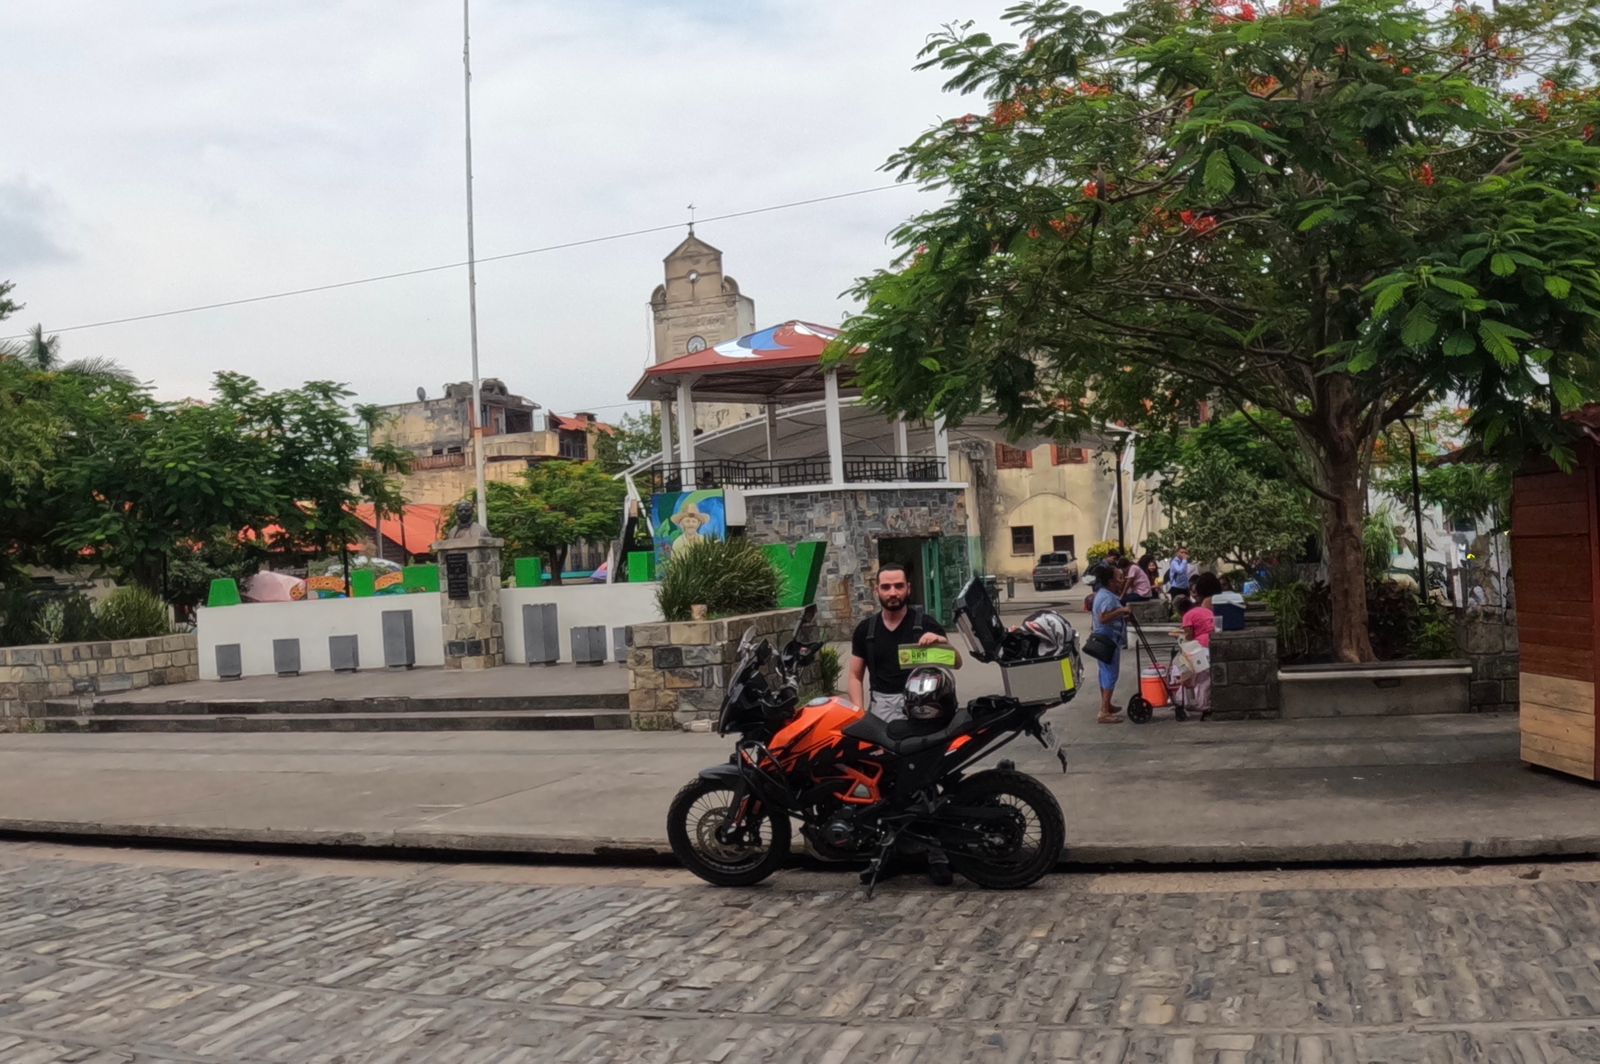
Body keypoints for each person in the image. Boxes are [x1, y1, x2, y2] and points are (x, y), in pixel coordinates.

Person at [848, 563, 959, 722]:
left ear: (908, 588)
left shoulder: (927, 625)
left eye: (898, 586)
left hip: (923, 710)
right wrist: (858, 712)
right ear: (876, 590)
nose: (893, 592)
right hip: (880, 711)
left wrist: (942, 642)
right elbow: (854, 676)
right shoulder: (865, 630)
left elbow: (956, 663)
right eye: (886, 587)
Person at [1173, 572, 1221, 718]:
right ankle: (1203, 702)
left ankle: (1188, 701)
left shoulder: (1189, 615)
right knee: (1205, 677)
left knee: (1184, 670)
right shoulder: (1203, 609)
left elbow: (1188, 636)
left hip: (1200, 647)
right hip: (1213, 641)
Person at [1089, 563, 1132, 723]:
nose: (1122, 581)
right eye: (1119, 578)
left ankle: (1106, 704)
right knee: (1110, 674)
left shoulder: (1103, 594)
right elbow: (1104, 618)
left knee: (1104, 672)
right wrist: (1122, 611)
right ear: (1111, 582)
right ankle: (1104, 711)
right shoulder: (1107, 597)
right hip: (1107, 640)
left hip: (1106, 639)